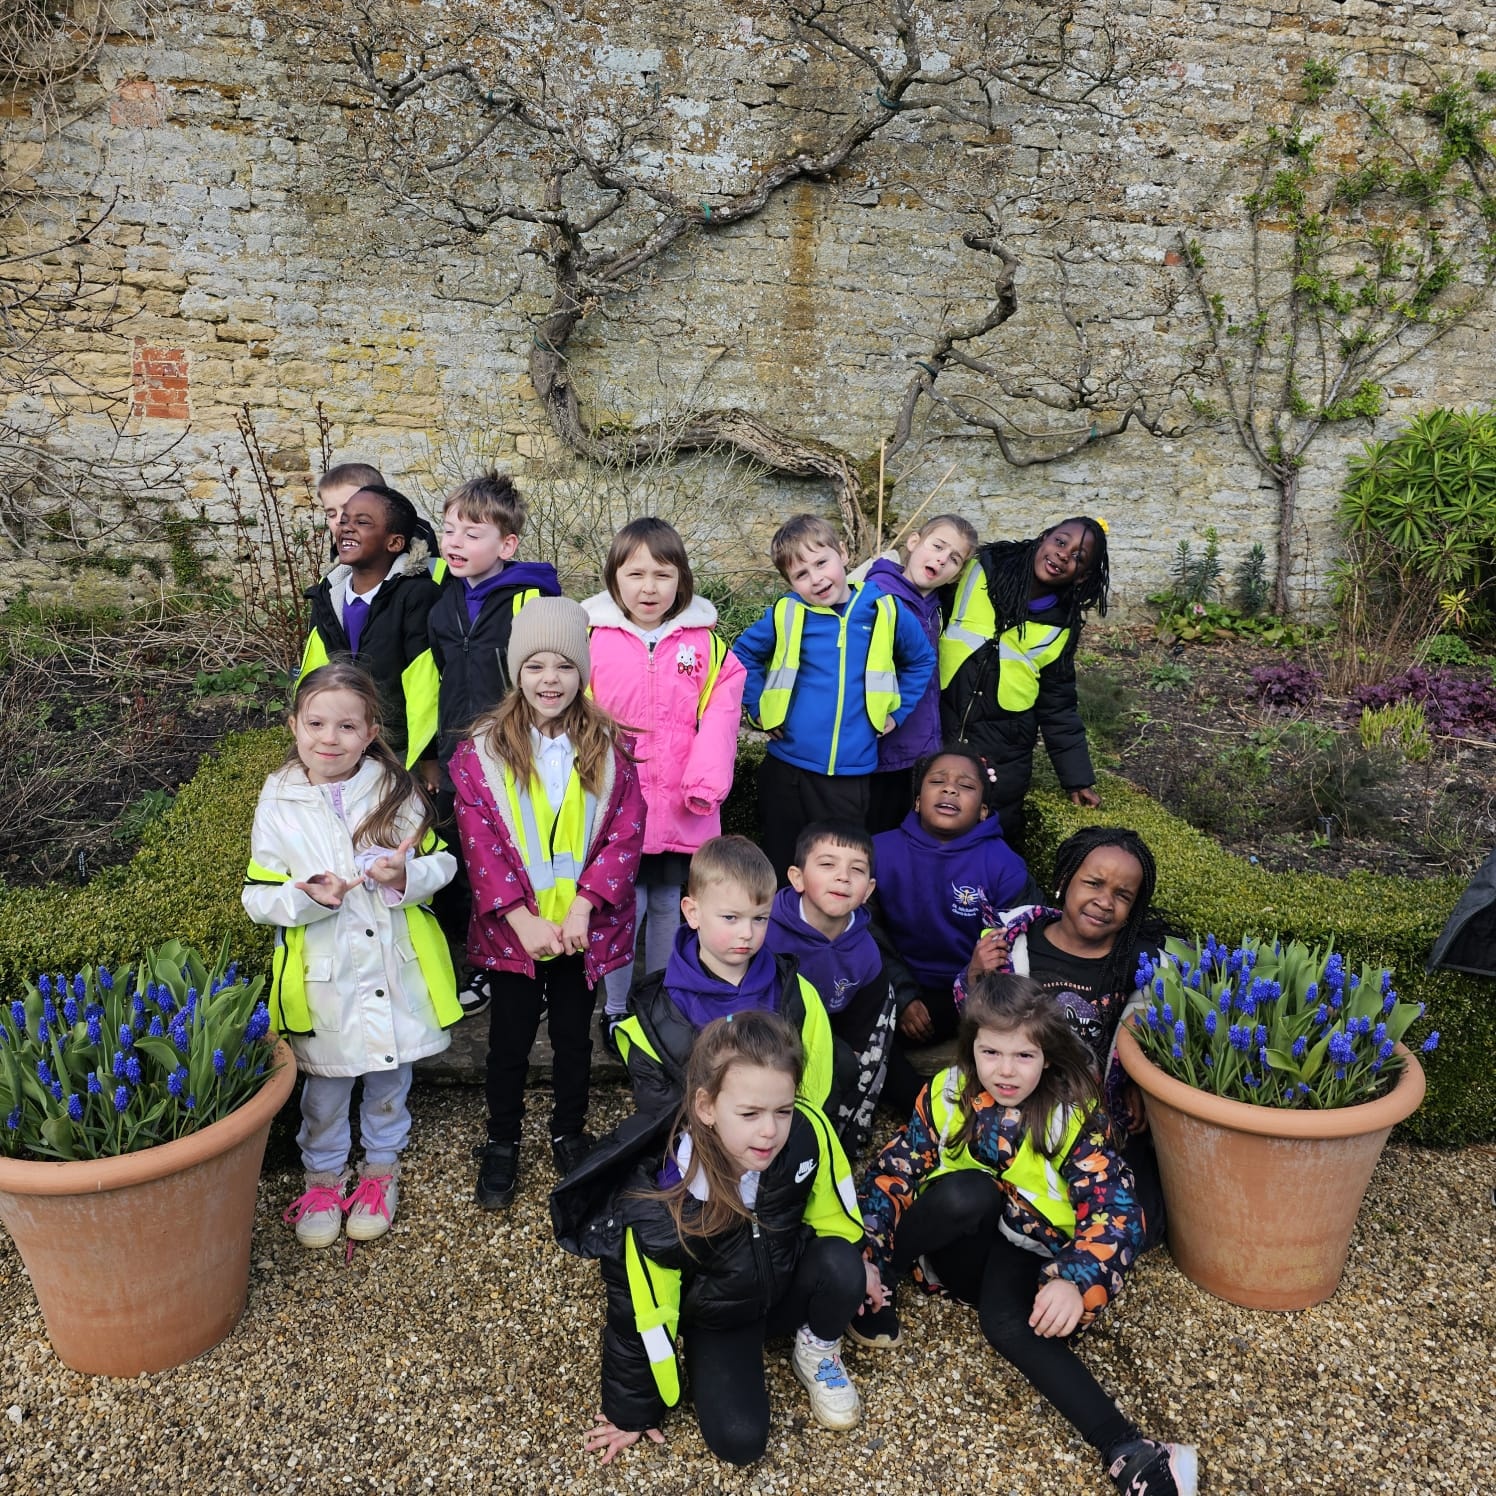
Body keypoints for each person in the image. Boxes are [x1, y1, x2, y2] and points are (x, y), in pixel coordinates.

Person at [858, 975, 1198, 1496]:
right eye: (991, 1052)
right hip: (956, 1235)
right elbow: (894, 1171)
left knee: (1005, 1324)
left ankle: (1131, 1449)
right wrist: (867, 1254)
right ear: (970, 1048)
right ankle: (884, 1278)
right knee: (966, 1192)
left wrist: (1074, 1280)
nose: (1005, 1070)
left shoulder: (1071, 1113)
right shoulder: (948, 1091)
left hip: (1029, 1248)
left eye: (1023, 1055)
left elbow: (1116, 1213)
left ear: (1047, 1055)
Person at [563, 1012, 878, 1466]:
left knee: (844, 1265)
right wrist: (630, 1412)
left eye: (783, 1110)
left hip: (783, 1280)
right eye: (749, 1113)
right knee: (740, 1442)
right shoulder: (662, 1204)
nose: (770, 1130)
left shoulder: (807, 1134)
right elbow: (638, 1315)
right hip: (720, 1316)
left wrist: (860, 1263)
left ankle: (817, 1349)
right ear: (706, 1107)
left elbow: (834, 1213)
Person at [241, 661, 460, 1249]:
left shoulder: (395, 789)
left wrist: (402, 876)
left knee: (389, 1078)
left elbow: (441, 863)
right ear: (294, 725)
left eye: (346, 726)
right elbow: (257, 896)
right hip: (325, 976)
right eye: (316, 724)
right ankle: (322, 1179)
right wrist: (308, 897)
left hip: (391, 967)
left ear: (370, 733)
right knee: (325, 1089)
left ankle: (380, 1170)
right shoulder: (277, 800)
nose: (329, 738)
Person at [451, 597, 645, 1207]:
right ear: (517, 671)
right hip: (517, 931)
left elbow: (624, 834)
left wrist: (585, 907)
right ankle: (502, 1140)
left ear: (582, 671)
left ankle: (568, 1130)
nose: (550, 680)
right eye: (535, 666)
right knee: (508, 1041)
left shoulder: (609, 748)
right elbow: (480, 842)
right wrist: (519, 918)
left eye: (564, 666)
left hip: (578, 930)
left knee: (572, 1038)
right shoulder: (483, 752)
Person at [582, 518, 746, 1045]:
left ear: (682, 580)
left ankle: (657, 1005)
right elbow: (579, 720)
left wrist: (706, 783)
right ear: (614, 578)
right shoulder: (590, 640)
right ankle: (615, 1009)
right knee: (618, 908)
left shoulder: (707, 645)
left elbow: (721, 717)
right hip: (615, 806)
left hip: (681, 804)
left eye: (662, 574)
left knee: (666, 905)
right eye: (635, 574)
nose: (648, 588)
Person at [965, 825, 1171, 1242]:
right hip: (1020, 1100)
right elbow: (975, 1026)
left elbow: (1157, 1038)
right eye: (1093, 883)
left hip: (1097, 1116)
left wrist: (1136, 1083)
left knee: (1144, 1225)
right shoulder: (1014, 944)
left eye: (1123, 895)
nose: (1105, 901)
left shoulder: (1142, 966)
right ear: (1064, 880)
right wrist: (975, 974)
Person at [732, 513, 936, 883]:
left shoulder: (884, 610)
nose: (816, 579)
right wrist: (758, 708)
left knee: (834, 872)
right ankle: (780, 921)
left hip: (850, 774)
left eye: (821, 563)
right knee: (782, 865)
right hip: (787, 769)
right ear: (790, 583)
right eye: (801, 574)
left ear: (842, 553)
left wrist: (899, 712)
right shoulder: (787, 612)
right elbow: (742, 655)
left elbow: (921, 660)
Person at [427, 471, 562, 1016]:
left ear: (506, 545)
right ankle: (486, 966)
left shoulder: (533, 599)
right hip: (455, 758)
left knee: (523, 863)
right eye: (448, 530)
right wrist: (430, 756)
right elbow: (432, 678)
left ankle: (541, 967)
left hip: (515, 757)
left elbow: (554, 681)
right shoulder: (440, 598)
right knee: (469, 866)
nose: (455, 542)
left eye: (471, 533)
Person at [615, 835, 837, 1119]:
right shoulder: (659, 1011)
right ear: (692, 913)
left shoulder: (798, 995)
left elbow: (814, 1088)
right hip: (698, 1140)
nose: (747, 933)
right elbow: (660, 1109)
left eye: (759, 918)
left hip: (778, 1134)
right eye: (731, 918)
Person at [871, 746, 1037, 1116]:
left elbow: (1021, 942)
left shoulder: (1003, 866)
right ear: (917, 801)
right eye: (938, 782)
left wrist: (974, 979)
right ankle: (923, 1110)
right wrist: (903, 994)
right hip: (892, 980)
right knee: (865, 1027)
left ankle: (969, 1108)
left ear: (983, 811)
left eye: (965, 786)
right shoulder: (878, 851)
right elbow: (863, 933)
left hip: (965, 989)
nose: (950, 790)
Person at [939, 516, 1110, 852]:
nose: (1064, 554)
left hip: (1004, 747)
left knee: (990, 838)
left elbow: (1059, 705)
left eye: (1078, 557)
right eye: (1060, 542)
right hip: (940, 722)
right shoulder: (979, 570)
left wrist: (1076, 778)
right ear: (1043, 537)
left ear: (1083, 576)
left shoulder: (1061, 627)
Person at [764, 821, 900, 1150]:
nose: (843, 877)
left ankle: (826, 1139)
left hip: (828, 1039)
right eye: (828, 865)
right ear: (797, 878)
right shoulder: (766, 932)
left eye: (857, 870)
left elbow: (860, 1026)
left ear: (868, 890)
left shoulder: (866, 952)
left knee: (844, 1065)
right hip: (764, 1035)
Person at [299, 482, 443, 770]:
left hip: (398, 745)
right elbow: (315, 668)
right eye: (344, 520)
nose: (347, 528)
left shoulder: (417, 595)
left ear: (394, 543)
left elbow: (425, 682)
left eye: (362, 522)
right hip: (340, 738)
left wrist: (428, 756)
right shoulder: (327, 593)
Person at [863, 514, 978, 833]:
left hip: (920, 751)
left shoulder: (935, 608)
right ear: (913, 542)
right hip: (883, 748)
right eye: (937, 546)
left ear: (957, 574)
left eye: (954, 558)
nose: (942, 559)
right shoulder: (877, 597)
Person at [315, 460, 385, 565]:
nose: (339, 520)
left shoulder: (403, 570)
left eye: (349, 508)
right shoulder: (336, 571)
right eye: (331, 515)